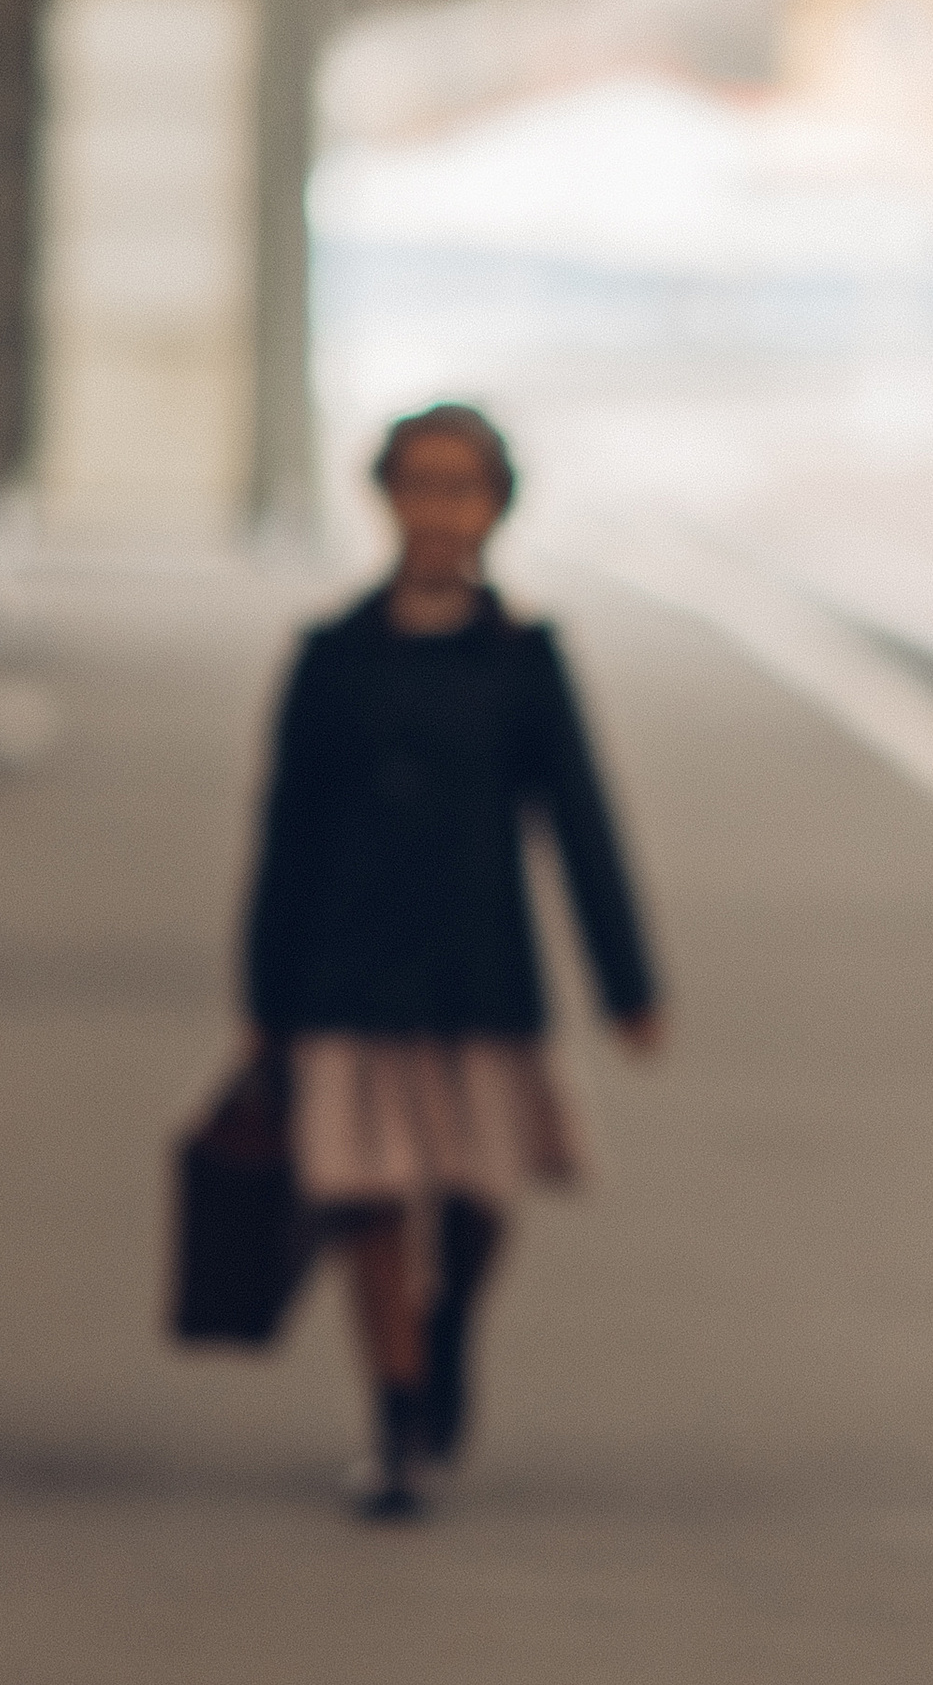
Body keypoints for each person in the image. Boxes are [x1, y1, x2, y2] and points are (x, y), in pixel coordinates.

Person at [240, 403, 662, 1518]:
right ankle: (397, 1421)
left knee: (480, 1198)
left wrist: (628, 984)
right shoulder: (330, 657)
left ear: (496, 507)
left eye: (461, 488)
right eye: (419, 485)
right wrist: (264, 997)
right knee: (368, 1197)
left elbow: (580, 823)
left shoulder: (526, 659)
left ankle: (447, 1328)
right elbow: (285, 836)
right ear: (385, 497)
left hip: (480, 977)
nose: (438, 510)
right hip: (347, 976)